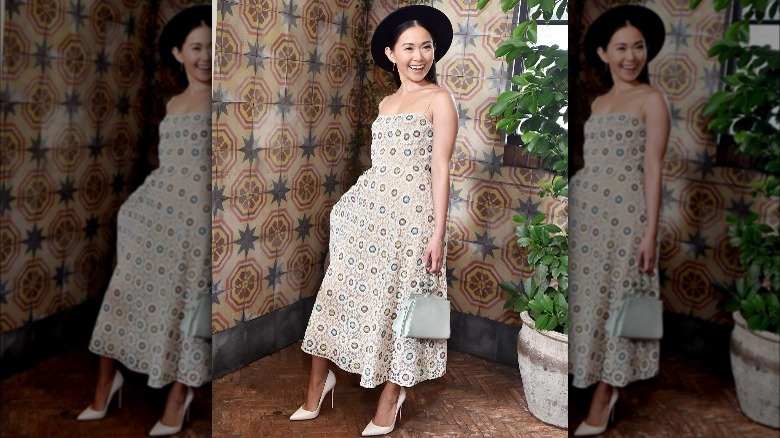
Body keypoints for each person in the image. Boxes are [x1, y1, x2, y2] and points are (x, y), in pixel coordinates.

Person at [290, 5, 457, 436]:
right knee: (338, 294)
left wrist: (438, 232)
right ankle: (318, 382)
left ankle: (392, 393)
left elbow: (440, 167)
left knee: (407, 304)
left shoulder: (440, 99)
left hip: (413, 217)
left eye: (426, 46)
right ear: (391, 52)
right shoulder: (386, 102)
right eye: (409, 47)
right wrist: (347, 210)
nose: (419, 56)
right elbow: (379, 164)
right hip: (368, 216)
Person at [77, 6, 212, 436]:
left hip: (196, 220)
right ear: (178, 52)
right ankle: (106, 381)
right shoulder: (174, 102)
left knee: (188, 306)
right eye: (196, 47)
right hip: (155, 213)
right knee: (124, 293)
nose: (205, 56)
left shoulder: (224, 99)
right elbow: (168, 165)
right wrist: (133, 211)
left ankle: (180, 392)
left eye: (212, 47)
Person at [568, 5, 669, 436]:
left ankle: (605, 394)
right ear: (604, 53)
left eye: (639, 46)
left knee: (620, 303)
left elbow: (653, 168)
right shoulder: (601, 101)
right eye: (622, 47)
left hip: (627, 218)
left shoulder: (651, 99)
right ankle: (588, 379)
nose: (632, 56)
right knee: (592, 302)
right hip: (587, 216)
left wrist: (649, 233)